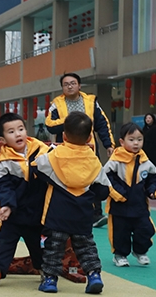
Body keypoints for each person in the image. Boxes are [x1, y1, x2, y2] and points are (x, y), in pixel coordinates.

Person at [33, 112, 111, 294]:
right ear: (90, 137)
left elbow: (35, 167)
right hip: (83, 213)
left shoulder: (55, 155)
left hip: (57, 213)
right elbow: (103, 190)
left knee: (54, 247)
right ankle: (94, 275)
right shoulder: (94, 160)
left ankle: (50, 280)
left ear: (64, 136)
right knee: (86, 246)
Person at [0, 113, 51, 286]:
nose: (18, 134)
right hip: (15, 212)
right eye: (11, 132)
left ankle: (46, 271)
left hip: (38, 213)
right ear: (3, 139)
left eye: (20, 129)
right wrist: (7, 206)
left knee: (40, 245)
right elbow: (3, 187)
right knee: (3, 240)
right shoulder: (3, 162)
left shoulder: (43, 151)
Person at [45, 73, 114, 228]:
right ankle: (68, 210)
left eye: (73, 83)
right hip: (65, 150)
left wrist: (108, 144)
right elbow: (50, 124)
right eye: (66, 84)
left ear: (79, 85)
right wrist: (72, 121)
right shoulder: (56, 104)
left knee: (93, 178)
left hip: (89, 149)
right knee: (68, 179)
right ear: (62, 88)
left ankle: (96, 214)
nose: (70, 86)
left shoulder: (91, 101)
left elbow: (102, 123)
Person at [104, 122, 156, 267]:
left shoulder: (145, 161)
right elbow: (106, 178)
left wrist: (153, 190)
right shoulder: (115, 160)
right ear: (122, 142)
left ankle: (140, 251)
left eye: (139, 139)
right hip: (119, 206)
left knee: (145, 230)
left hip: (139, 206)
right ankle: (120, 255)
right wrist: (119, 193)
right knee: (120, 233)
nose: (136, 143)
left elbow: (154, 177)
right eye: (131, 139)